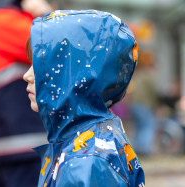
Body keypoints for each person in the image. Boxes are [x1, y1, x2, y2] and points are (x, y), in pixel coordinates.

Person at [23, 10, 145, 187]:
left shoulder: (85, 163)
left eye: (41, 66)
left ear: (74, 75)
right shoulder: (89, 142)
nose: (27, 75)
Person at [0, 0, 52, 186]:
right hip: (26, 139)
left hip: (2, 139)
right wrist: (45, 13)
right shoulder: (7, 22)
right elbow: (59, 45)